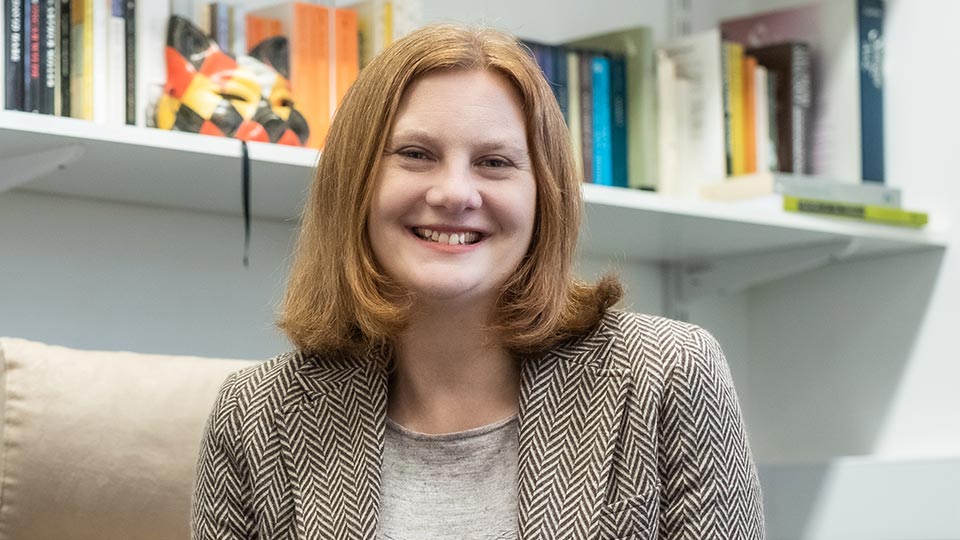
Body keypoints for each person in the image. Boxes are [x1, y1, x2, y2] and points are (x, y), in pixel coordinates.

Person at [191, 24, 765, 540]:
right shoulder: (257, 416)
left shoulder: (667, 374)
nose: (454, 193)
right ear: (355, 183)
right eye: (416, 154)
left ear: (545, 196)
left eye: (494, 162)